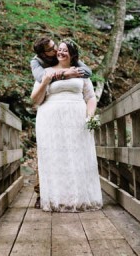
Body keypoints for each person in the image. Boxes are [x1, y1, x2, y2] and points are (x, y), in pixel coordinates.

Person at [30, 39, 103, 212]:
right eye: (58, 49)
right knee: (54, 156)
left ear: (72, 54)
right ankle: (56, 197)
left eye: (64, 50)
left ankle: (78, 197)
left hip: (76, 117)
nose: (60, 52)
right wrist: (47, 81)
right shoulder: (44, 72)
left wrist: (89, 117)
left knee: (77, 156)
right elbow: (35, 99)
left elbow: (90, 97)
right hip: (50, 119)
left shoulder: (80, 71)